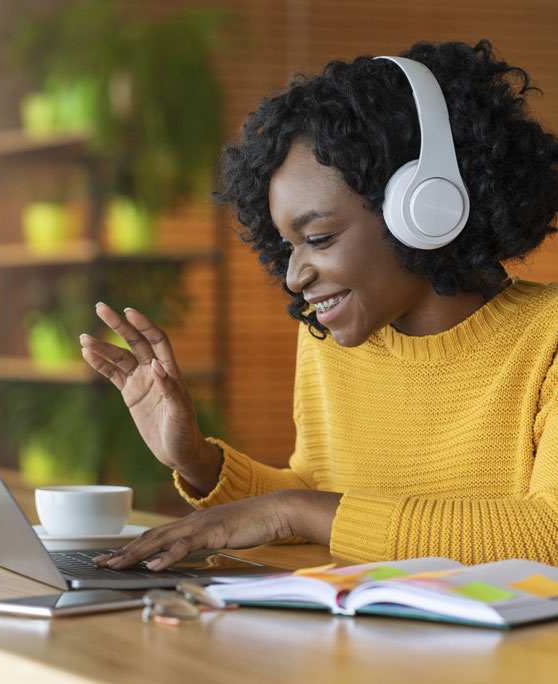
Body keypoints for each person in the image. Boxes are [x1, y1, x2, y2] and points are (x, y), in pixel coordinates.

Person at [79, 39, 558, 571]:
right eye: (288, 245)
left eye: (321, 237)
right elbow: (315, 493)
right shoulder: (331, 337)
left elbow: (548, 536)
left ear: (428, 208)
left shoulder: (548, 339)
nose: (294, 275)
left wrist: (295, 509)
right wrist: (198, 461)